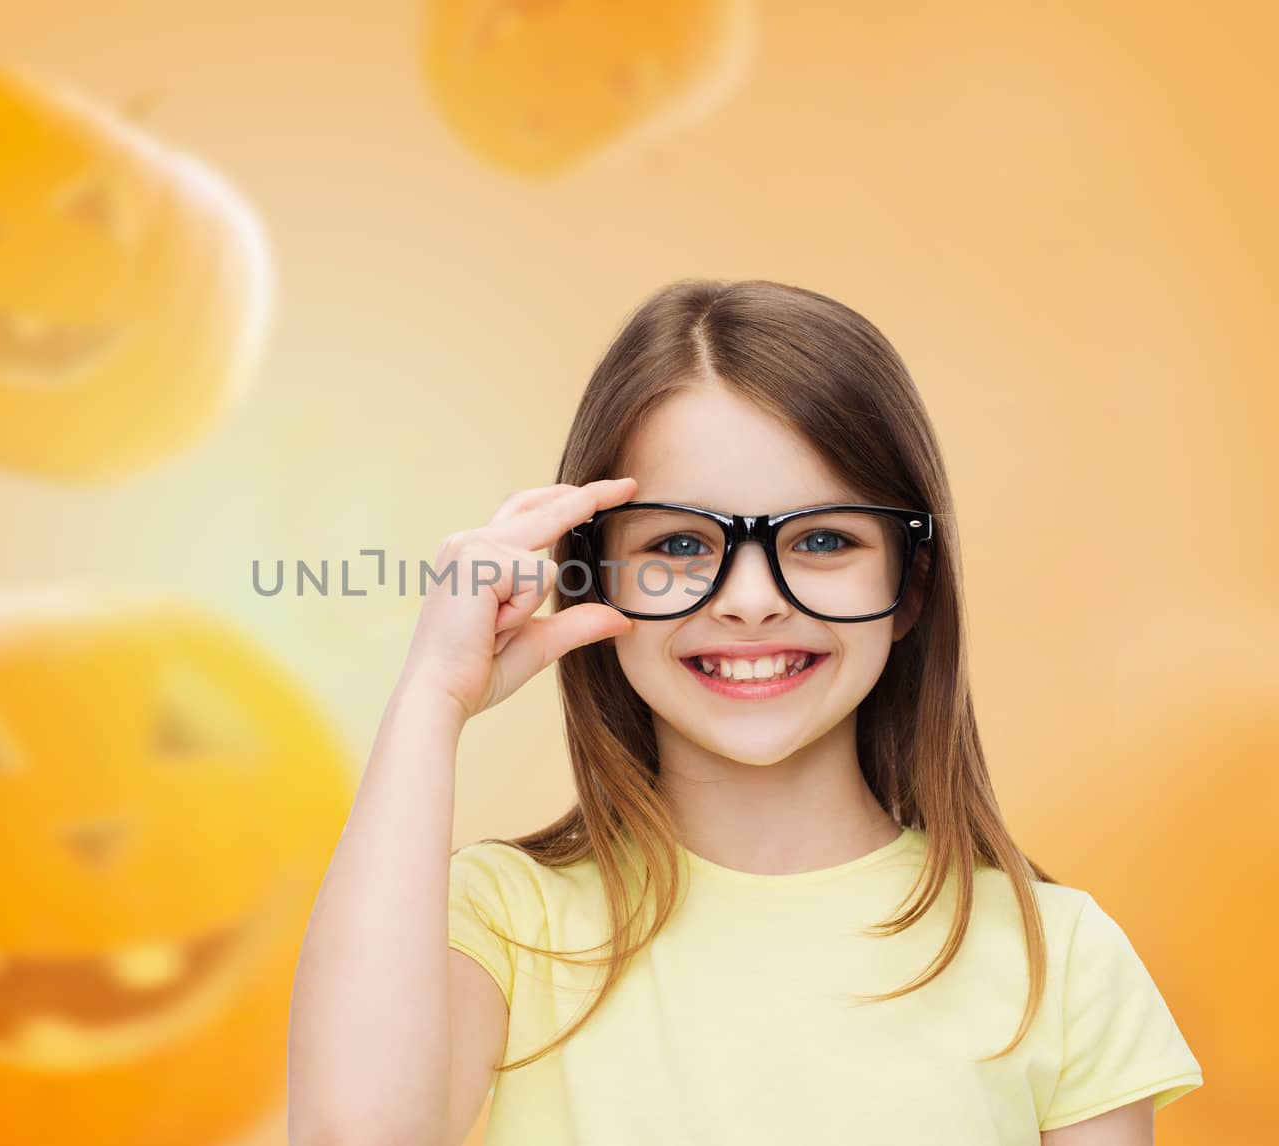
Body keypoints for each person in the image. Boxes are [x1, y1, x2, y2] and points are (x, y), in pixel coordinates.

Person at [286, 280, 1203, 1145]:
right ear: (590, 578)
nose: (752, 600)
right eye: (683, 543)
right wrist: (429, 700)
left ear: (909, 587)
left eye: (823, 540)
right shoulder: (501, 922)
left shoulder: (1059, 955)